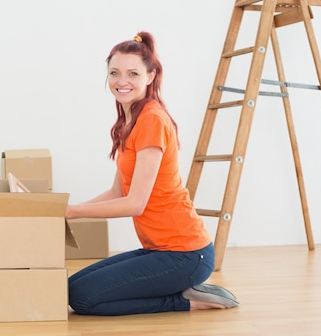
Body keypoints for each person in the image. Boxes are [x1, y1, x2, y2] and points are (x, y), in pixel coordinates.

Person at [66, 31, 239, 315]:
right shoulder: (130, 121)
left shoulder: (151, 120)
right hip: (160, 250)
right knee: (73, 288)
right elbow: (118, 192)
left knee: (84, 299)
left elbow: (135, 203)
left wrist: (72, 212)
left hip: (185, 254)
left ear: (150, 76)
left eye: (133, 73)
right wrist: (65, 209)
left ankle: (186, 300)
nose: (122, 81)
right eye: (114, 72)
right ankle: (178, 288)